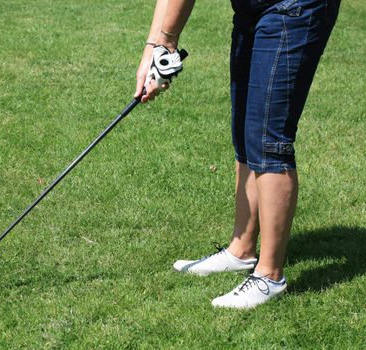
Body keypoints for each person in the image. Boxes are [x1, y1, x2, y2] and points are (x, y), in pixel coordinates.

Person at [135, 0, 341, 309]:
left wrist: (167, 42)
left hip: (296, 6)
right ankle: (241, 250)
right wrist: (153, 49)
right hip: (252, 6)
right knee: (246, 128)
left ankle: (269, 276)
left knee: (269, 137)